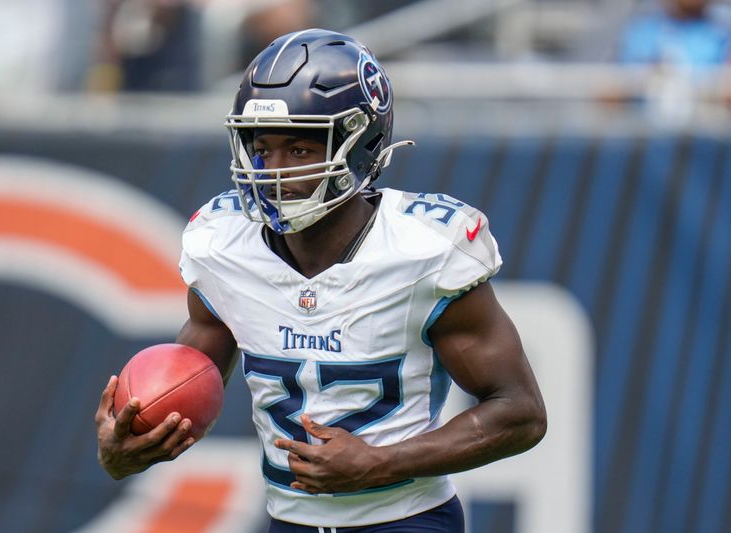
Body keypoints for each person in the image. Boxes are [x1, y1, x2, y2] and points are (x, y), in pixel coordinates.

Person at [95, 28, 546, 531]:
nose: (275, 170)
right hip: (285, 521)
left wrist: (382, 462)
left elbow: (520, 412)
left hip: (407, 521)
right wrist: (133, 443)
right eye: (261, 147)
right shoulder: (223, 245)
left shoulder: (426, 249)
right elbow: (191, 381)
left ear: (363, 144)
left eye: (301, 149)